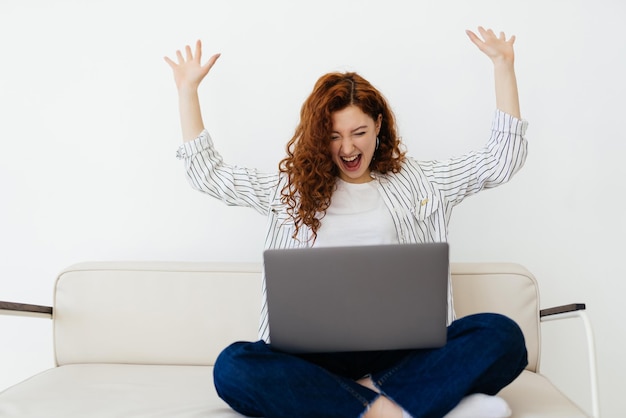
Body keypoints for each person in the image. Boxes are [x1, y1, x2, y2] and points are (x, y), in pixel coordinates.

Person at [165, 26, 529, 418]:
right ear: (319, 137)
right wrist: (188, 92)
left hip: (404, 354)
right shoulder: (289, 191)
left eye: (359, 132)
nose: (349, 148)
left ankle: (366, 396)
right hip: (315, 360)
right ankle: (393, 407)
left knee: (502, 335)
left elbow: (501, 159)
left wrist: (503, 66)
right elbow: (208, 174)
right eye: (335, 136)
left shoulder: (422, 182)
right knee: (233, 366)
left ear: (378, 126)